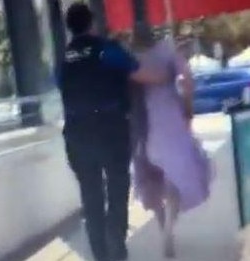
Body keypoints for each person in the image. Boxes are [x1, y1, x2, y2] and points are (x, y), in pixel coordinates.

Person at [59, 3, 169, 261]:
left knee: (91, 195)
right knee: (118, 189)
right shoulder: (107, 50)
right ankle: (116, 248)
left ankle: (100, 253)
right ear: (92, 23)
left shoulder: (63, 59)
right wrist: (167, 72)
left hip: (76, 134)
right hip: (110, 129)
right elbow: (143, 75)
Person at [130, 23, 212, 258]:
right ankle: (167, 232)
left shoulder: (127, 56)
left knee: (149, 180)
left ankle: (161, 226)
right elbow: (187, 80)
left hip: (140, 122)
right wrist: (187, 109)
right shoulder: (167, 51)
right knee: (173, 179)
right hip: (169, 119)